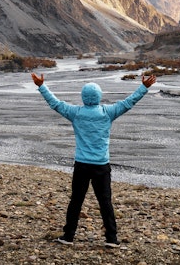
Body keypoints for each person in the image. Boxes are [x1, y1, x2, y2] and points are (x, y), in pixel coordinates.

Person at [31, 71, 157, 248]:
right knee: (105, 202)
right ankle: (111, 239)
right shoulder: (108, 112)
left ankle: (68, 236)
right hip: (101, 166)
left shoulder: (75, 113)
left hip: (82, 165)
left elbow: (55, 104)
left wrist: (41, 86)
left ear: (83, 97)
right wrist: (144, 87)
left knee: (76, 201)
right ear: (99, 96)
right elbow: (129, 102)